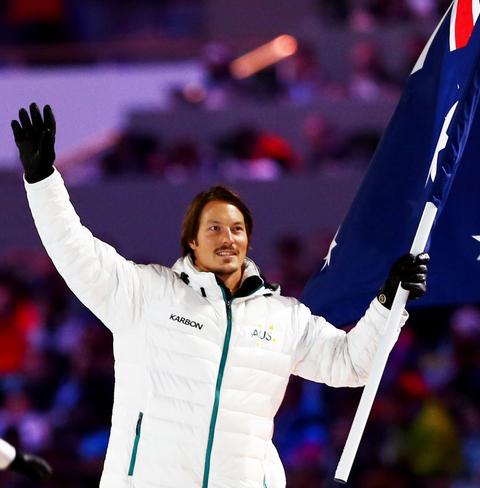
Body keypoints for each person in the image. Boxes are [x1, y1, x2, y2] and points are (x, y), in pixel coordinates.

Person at [11, 103, 429, 487]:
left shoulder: (283, 316)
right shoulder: (146, 293)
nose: (227, 237)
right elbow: (75, 250)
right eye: (213, 228)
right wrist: (43, 181)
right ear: (192, 241)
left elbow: (352, 364)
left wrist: (389, 304)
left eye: (237, 229)